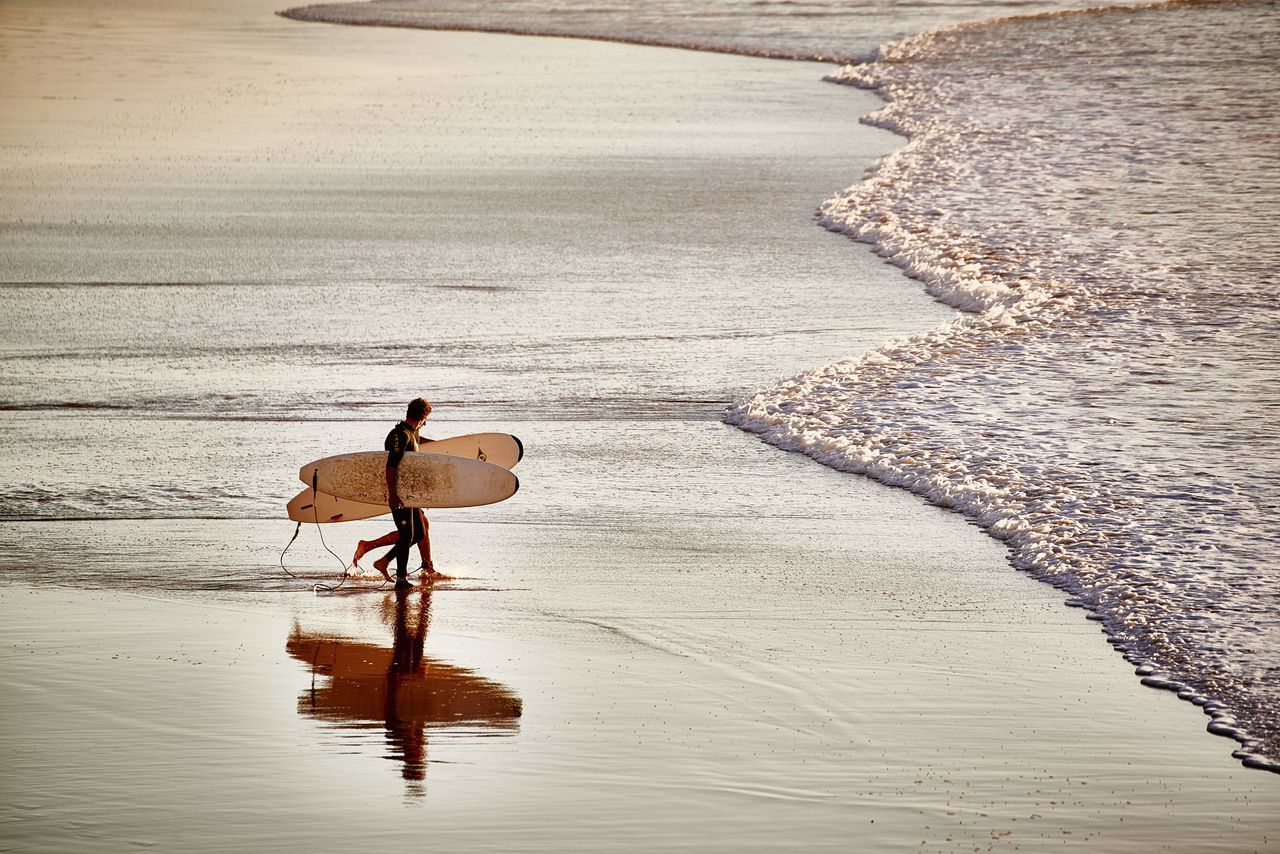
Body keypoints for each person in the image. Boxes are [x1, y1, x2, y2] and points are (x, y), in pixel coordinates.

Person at [352, 397, 436, 589]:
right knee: (407, 535)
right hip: (398, 494)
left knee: (418, 533)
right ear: (422, 417)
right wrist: (393, 495)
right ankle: (401, 580)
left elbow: (417, 445)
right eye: (426, 419)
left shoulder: (411, 434)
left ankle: (384, 561)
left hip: (409, 494)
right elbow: (391, 467)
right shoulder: (400, 436)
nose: (425, 423)